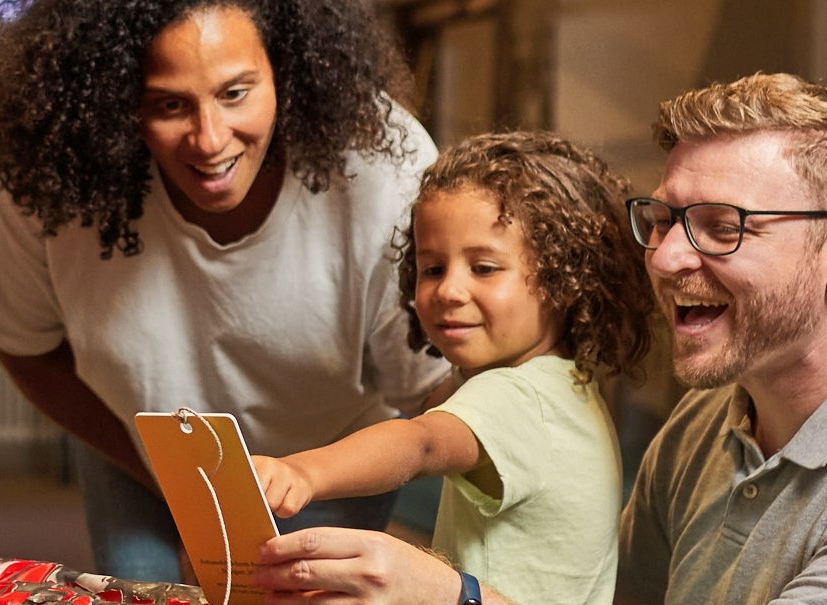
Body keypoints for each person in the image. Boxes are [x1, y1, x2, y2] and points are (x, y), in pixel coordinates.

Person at [248, 72, 827, 605]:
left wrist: (456, 597)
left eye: (721, 225)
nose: (667, 257)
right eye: (666, 218)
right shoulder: (710, 423)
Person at [0, 0, 450, 584]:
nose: (209, 140)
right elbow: (30, 348)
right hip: (144, 452)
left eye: (235, 93)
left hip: (329, 456)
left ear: (286, 71)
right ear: (114, 97)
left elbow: (435, 401)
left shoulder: (384, 170)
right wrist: (175, 486)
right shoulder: (38, 172)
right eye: (169, 104)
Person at [251, 130, 655, 605]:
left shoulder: (517, 396)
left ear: (562, 280)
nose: (448, 290)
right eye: (433, 268)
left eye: (483, 268)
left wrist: (303, 471)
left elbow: (421, 442)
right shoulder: (565, 387)